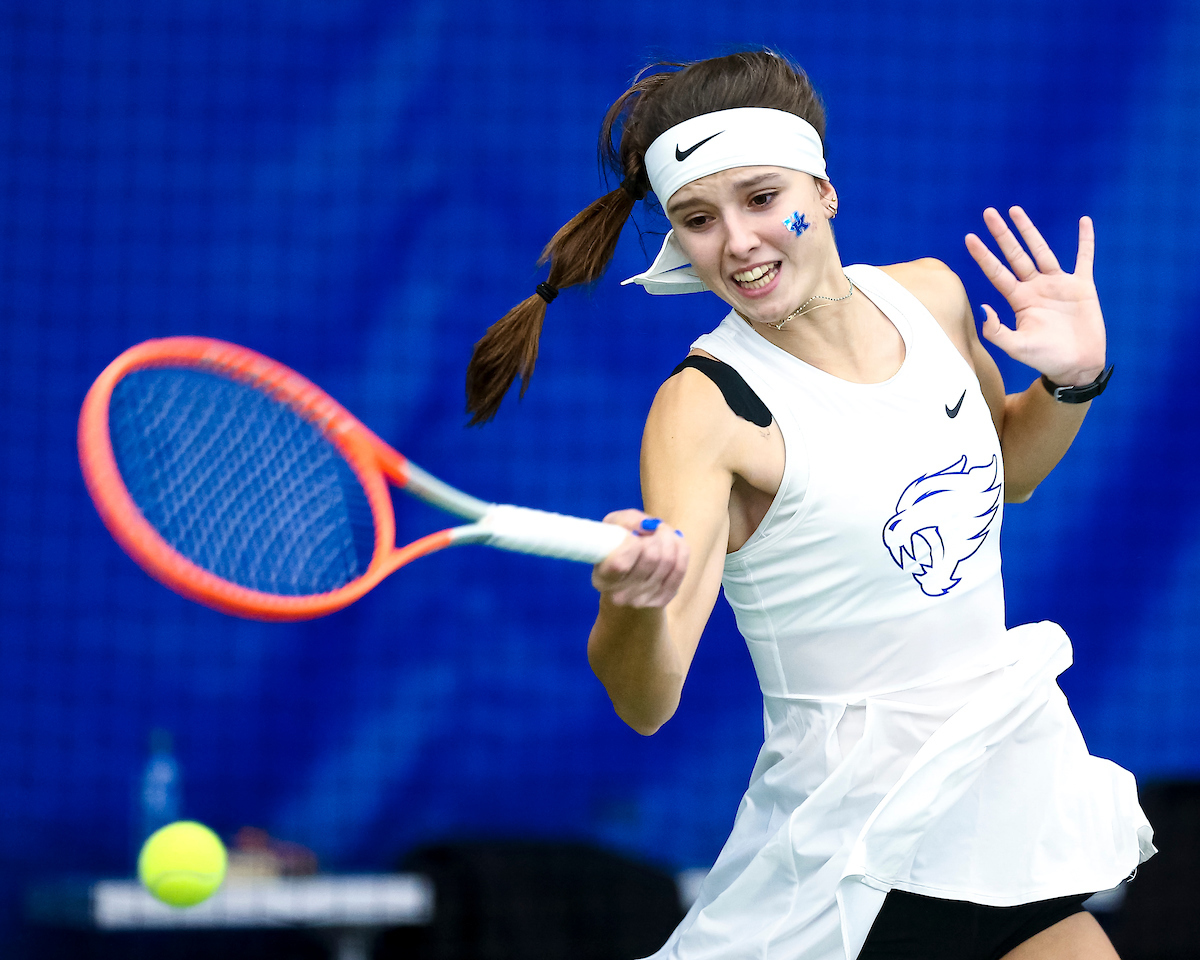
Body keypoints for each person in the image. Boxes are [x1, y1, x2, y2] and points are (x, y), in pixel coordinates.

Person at [465, 50, 1154, 960]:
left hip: (996, 802)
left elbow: (1011, 470)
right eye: (698, 220)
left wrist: (1072, 382)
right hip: (844, 866)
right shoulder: (704, 408)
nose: (739, 242)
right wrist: (627, 608)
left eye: (761, 198)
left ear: (823, 190)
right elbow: (648, 695)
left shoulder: (928, 297)